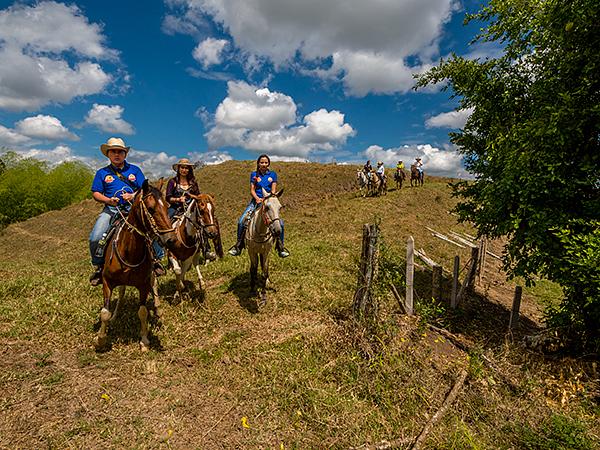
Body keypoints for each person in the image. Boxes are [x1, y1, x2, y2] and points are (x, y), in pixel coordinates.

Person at [88, 137, 165, 286]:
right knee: (95, 237)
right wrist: (108, 200)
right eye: (113, 152)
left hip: (133, 209)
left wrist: (133, 195)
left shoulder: (134, 170)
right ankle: (98, 266)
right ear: (108, 154)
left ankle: (156, 260)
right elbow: (96, 193)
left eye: (120, 152)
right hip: (112, 209)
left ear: (125, 154)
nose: (117, 155)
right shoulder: (102, 173)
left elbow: (144, 189)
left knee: (153, 229)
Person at [228, 154, 289, 258]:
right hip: (255, 202)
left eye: (266, 162)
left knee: (280, 224)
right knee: (241, 221)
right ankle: (238, 245)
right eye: (262, 162)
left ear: (268, 163)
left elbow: (273, 190)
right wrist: (257, 198)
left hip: (268, 202)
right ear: (258, 163)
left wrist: (268, 198)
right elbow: (252, 190)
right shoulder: (254, 175)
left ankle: (280, 247)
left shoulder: (273, 175)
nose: (264, 164)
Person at [166, 158, 216, 261]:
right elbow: (168, 197)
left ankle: (206, 249)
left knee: (203, 224)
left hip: (192, 208)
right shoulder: (172, 182)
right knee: (165, 224)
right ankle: (162, 251)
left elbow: (198, 196)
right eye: (182, 167)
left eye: (187, 168)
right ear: (178, 169)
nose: (184, 170)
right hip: (176, 208)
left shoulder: (193, 182)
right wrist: (178, 199)